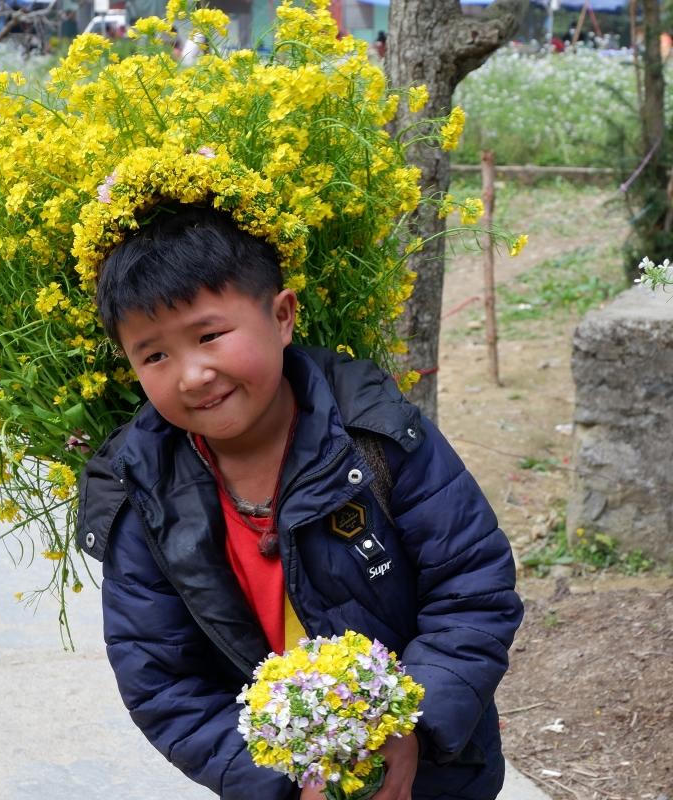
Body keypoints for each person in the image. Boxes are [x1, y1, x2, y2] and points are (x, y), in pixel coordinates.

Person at [75, 205, 524, 800]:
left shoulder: (379, 441)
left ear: (282, 316)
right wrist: (286, 782)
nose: (191, 374)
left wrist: (411, 725)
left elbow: (473, 588)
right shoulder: (142, 499)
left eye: (210, 335)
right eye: (154, 355)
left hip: (438, 773)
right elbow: (161, 683)